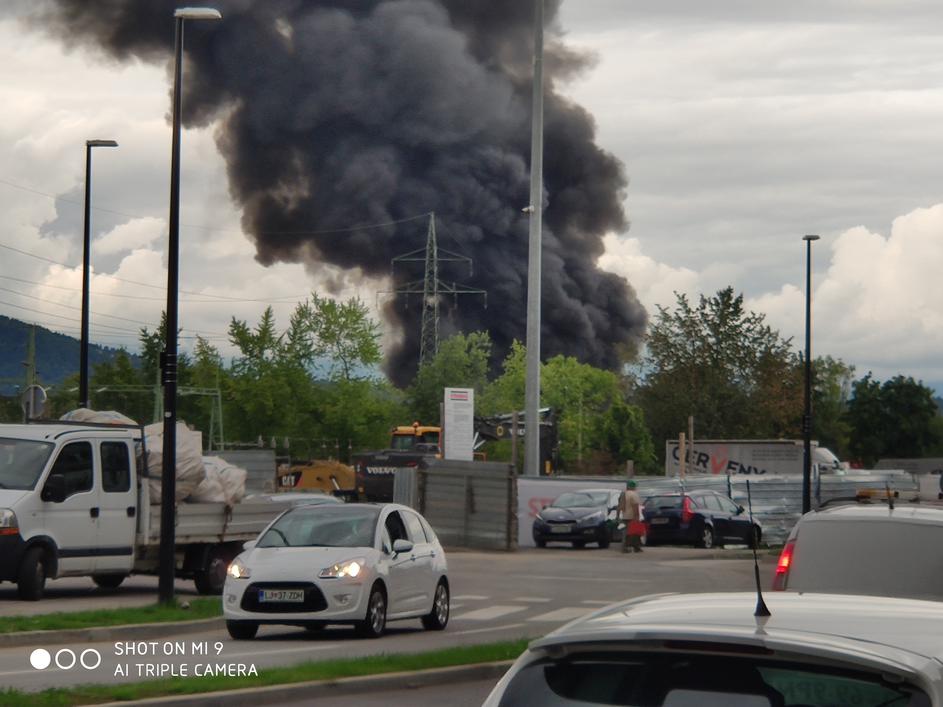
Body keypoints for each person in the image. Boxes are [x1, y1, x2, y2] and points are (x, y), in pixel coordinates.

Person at [619, 479, 643, 553]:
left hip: (624, 516)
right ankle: (636, 547)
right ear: (633, 486)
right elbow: (635, 506)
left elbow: (620, 506)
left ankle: (625, 547)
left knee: (626, 533)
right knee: (635, 533)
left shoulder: (624, 494)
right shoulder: (634, 494)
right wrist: (637, 516)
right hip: (632, 516)